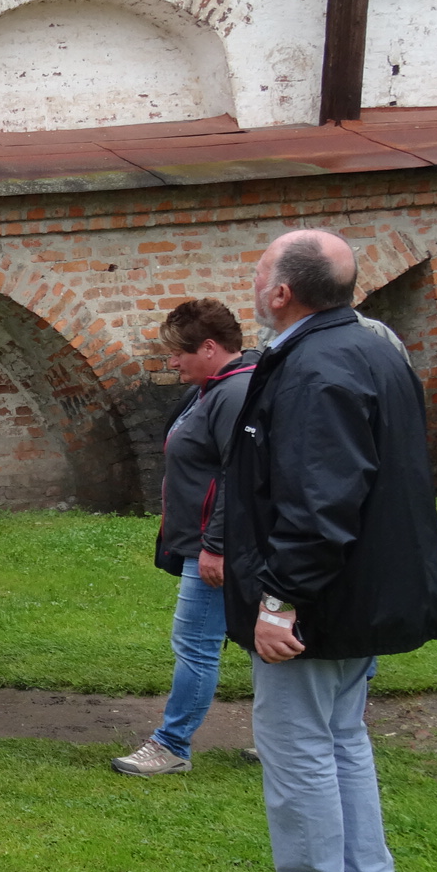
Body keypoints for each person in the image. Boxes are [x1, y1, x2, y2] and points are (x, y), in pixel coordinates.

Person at [220, 229, 437, 872]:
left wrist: (280, 600)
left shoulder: (316, 368)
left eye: (259, 272)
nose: (254, 283)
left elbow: (319, 500)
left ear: (282, 292)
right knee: (341, 733)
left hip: (323, 595)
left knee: (297, 738)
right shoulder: (371, 347)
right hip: (364, 586)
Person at [112, 299, 257, 777]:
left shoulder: (234, 393)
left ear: (210, 348)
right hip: (209, 543)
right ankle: (281, 738)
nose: (172, 362)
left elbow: (238, 477)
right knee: (255, 639)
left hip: (215, 548)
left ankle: (171, 745)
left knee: (196, 644)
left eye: (179, 352)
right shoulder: (211, 389)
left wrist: (215, 546)